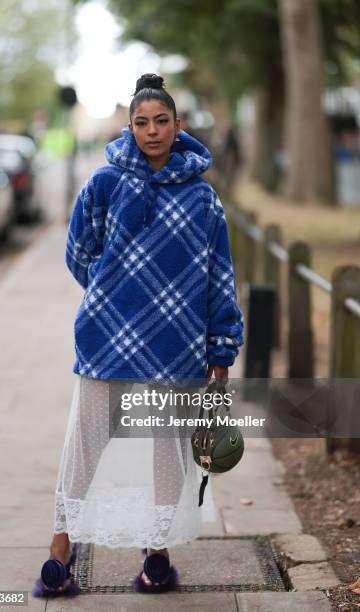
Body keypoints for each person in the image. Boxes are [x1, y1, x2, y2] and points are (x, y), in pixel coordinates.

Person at [32, 73, 244, 597]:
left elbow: (220, 273)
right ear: (129, 127)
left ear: (179, 125)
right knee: (85, 442)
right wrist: (114, 294)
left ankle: (157, 552)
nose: (152, 131)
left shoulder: (202, 198)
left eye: (162, 121)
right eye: (142, 122)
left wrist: (222, 345)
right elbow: (78, 254)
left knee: (165, 449)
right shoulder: (104, 183)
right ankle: (62, 544)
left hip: (177, 345)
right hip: (107, 338)